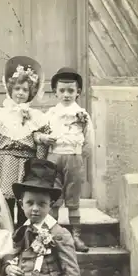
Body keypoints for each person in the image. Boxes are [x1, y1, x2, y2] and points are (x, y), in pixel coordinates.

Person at [34, 67, 95, 252]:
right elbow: (36, 133)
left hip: (73, 158)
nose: (66, 94)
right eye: (62, 90)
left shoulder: (82, 115)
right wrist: (43, 138)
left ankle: (76, 236)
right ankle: (51, 235)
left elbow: (90, 140)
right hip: (53, 158)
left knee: (73, 198)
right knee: (53, 197)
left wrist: (78, 156)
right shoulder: (50, 114)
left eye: (71, 90)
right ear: (55, 92)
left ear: (78, 92)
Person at [0, 56, 49, 227]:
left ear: (31, 93)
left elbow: (41, 143)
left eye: (25, 90)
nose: (20, 93)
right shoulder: (0, 114)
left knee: (25, 200)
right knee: (6, 199)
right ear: (10, 90)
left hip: (28, 162)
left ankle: (23, 233)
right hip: (6, 161)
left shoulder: (37, 117)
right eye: (17, 89)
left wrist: (40, 164)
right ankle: (7, 233)